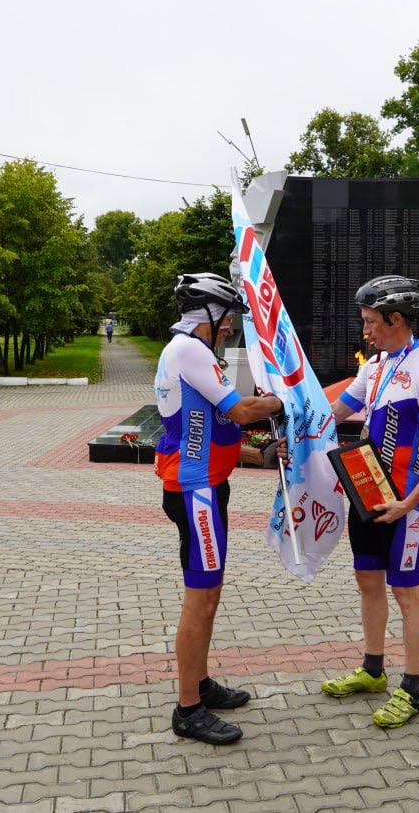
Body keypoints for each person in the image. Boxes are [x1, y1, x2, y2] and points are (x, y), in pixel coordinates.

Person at [321, 275, 419, 728]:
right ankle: (373, 669)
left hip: (405, 507)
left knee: (406, 592)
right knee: (367, 583)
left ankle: (412, 689)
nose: (365, 331)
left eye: (370, 322)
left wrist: (409, 503)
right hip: (367, 497)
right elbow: (335, 414)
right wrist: (287, 424)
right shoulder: (376, 366)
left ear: (396, 319)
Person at [154, 272, 284, 745]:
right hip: (196, 490)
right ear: (208, 313)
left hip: (202, 483)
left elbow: (201, 422)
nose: (230, 326)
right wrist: (287, 398)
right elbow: (238, 410)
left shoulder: (189, 350)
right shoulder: (190, 349)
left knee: (209, 593)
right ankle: (188, 709)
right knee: (201, 597)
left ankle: (201, 685)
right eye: (227, 317)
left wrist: (252, 453)